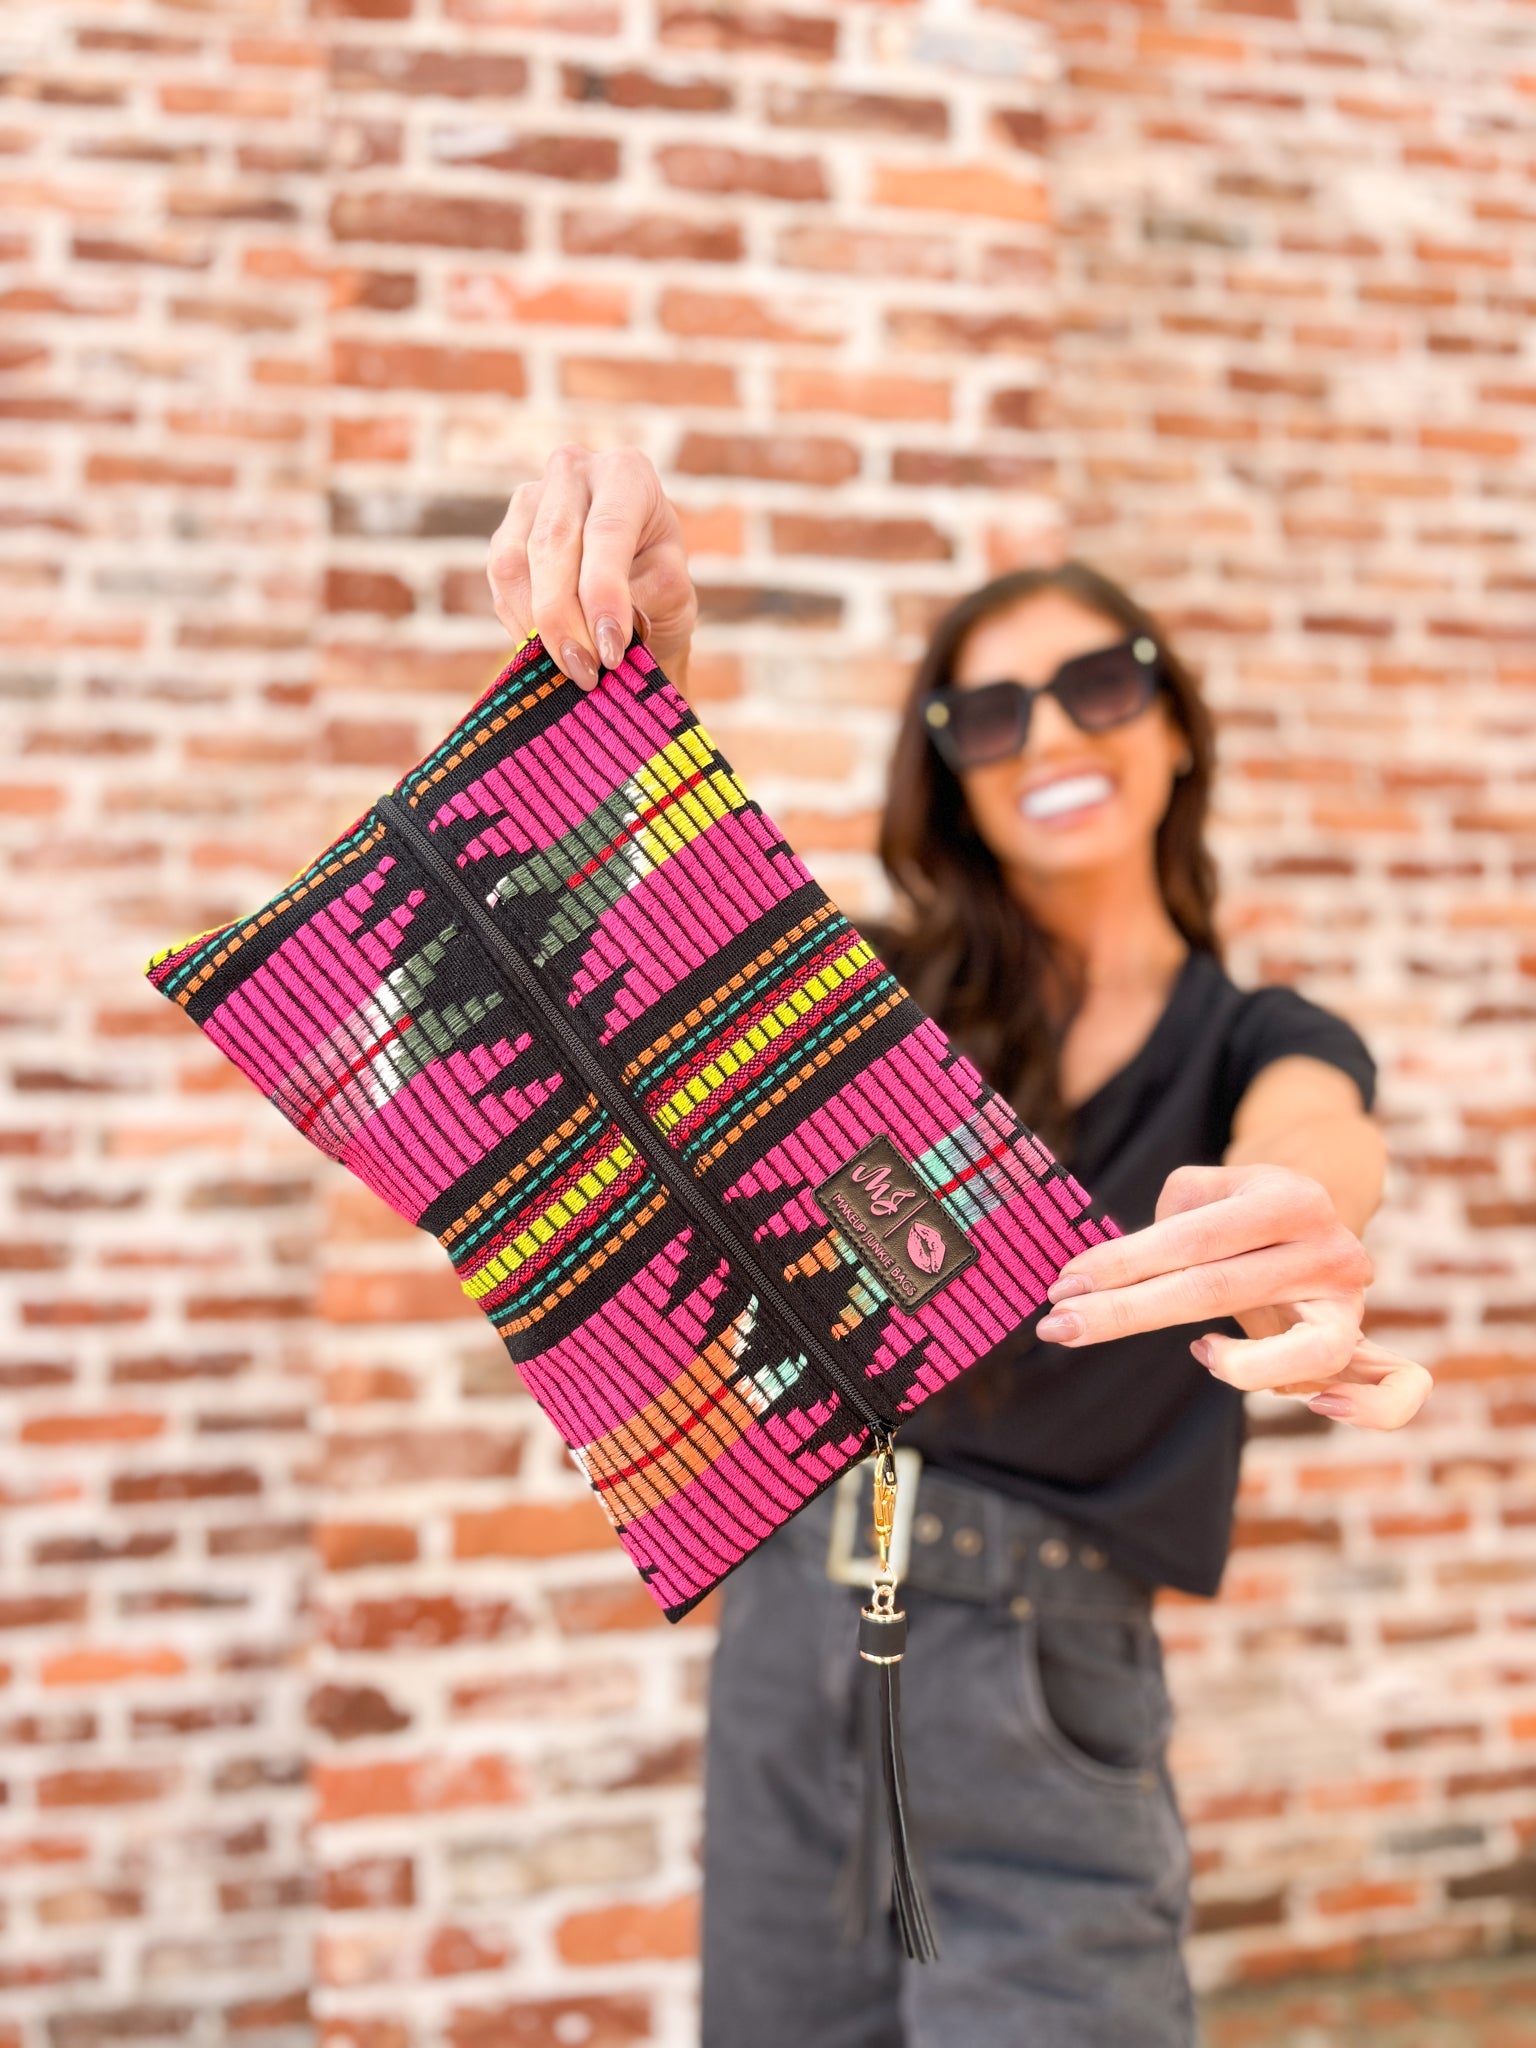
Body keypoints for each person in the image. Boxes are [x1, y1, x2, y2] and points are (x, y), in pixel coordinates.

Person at [486, 447, 1433, 2048]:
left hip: (1036, 1676)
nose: (1048, 735)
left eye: (1093, 686)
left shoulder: (1257, 1038)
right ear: (953, 774)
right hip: (791, 1643)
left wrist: (1298, 1213)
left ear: (1177, 721)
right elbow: (662, 945)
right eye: (988, 716)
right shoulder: (870, 1001)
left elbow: (1315, 1131)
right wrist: (637, 666)